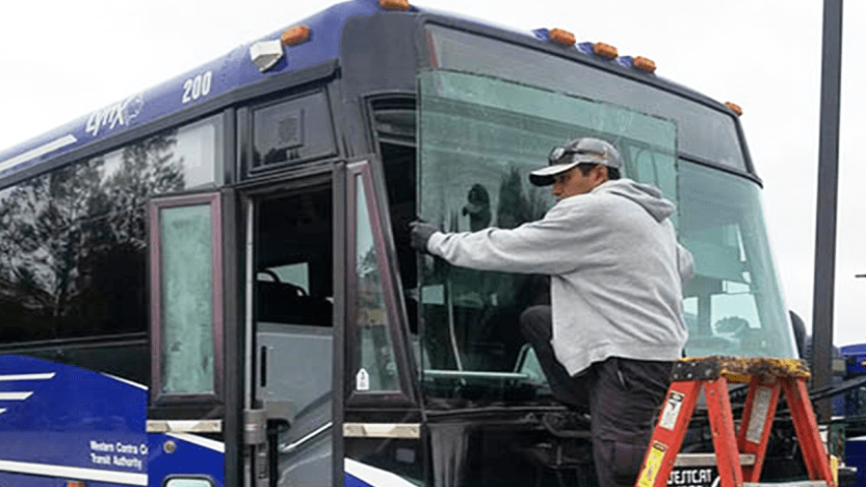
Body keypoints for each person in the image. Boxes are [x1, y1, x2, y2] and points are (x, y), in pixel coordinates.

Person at [410, 137, 694, 487]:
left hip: (628, 359)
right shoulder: (653, 218)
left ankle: (607, 420)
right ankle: (592, 402)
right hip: (649, 355)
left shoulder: (593, 210)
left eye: (564, 178)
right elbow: (684, 266)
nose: (556, 190)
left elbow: (509, 246)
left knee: (619, 461)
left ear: (599, 174)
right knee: (538, 319)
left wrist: (437, 242)